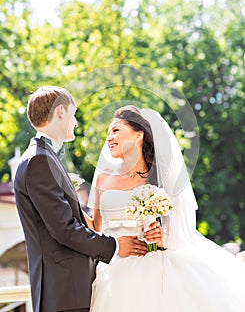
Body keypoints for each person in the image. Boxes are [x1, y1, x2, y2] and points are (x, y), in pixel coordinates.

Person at [14, 87, 161, 312]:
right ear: (61, 112)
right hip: (64, 291)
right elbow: (64, 229)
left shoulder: (43, 158)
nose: (75, 122)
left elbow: (65, 220)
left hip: (71, 288)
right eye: (73, 115)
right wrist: (114, 246)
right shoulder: (40, 161)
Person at [87, 105, 245, 311]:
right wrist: (66, 199)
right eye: (108, 133)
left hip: (152, 266)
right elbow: (94, 226)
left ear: (138, 134)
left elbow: (174, 233)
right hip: (112, 269)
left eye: (116, 130)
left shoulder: (159, 181)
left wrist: (160, 237)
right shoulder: (102, 178)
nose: (109, 137)